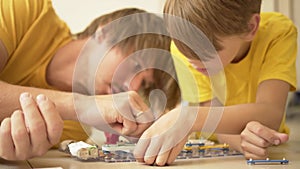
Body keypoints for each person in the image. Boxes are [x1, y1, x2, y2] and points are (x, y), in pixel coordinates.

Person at [0, 0, 180, 161]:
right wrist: (82, 106)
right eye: (134, 66)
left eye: (144, 88)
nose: (130, 89)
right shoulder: (27, 10)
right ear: (106, 32)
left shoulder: (74, 127)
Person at [134, 0, 297, 166]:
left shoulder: (278, 32)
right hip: (221, 144)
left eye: (206, 53)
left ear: (251, 27)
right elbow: (212, 125)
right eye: (186, 52)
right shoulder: (184, 48)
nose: (193, 62)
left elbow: (271, 113)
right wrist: (241, 141)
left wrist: (189, 116)